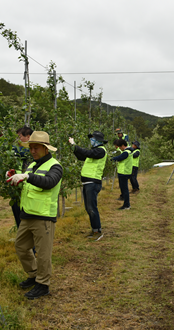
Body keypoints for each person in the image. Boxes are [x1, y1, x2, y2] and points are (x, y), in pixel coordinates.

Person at [6, 131, 63, 300]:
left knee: (44, 253)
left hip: (43, 217)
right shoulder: (32, 165)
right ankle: (33, 274)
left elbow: (49, 182)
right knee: (21, 246)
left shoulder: (55, 166)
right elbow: (28, 180)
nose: (32, 151)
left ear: (46, 149)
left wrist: (27, 176)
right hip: (28, 215)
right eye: (30, 148)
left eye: (35, 147)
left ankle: (43, 284)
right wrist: (14, 173)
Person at [69, 131, 108, 241]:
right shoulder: (94, 152)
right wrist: (73, 148)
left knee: (92, 208)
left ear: (99, 140)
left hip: (93, 183)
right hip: (87, 183)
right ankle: (94, 229)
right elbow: (81, 156)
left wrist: (74, 145)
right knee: (88, 208)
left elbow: (86, 152)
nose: (91, 140)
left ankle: (98, 231)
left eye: (93, 138)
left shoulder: (101, 151)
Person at [8, 126, 34, 228]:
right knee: (18, 215)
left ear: (28, 137)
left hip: (27, 187)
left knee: (26, 216)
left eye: (20, 136)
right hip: (17, 186)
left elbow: (22, 153)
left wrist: (10, 146)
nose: (18, 139)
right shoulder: (19, 149)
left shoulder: (31, 149)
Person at [112, 139, 133, 210]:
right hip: (124, 172)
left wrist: (111, 158)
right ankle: (126, 204)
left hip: (124, 173)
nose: (119, 148)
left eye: (120, 147)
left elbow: (119, 158)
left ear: (123, 145)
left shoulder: (126, 152)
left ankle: (127, 205)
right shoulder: (128, 151)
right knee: (124, 189)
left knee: (125, 189)